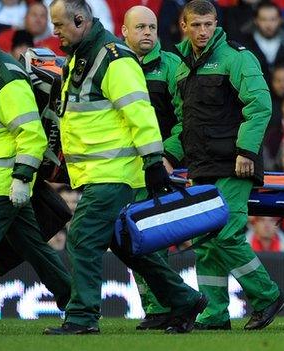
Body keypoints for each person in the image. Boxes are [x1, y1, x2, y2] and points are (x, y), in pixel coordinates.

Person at [43, 0, 205, 335]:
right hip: (101, 173)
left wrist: (153, 160)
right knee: (128, 244)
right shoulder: (84, 57)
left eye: (59, 25)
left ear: (79, 20)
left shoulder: (113, 58)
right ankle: (185, 300)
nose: (54, 31)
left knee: (83, 239)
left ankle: (82, 317)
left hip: (113, 174)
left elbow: (140, 112)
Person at [174, 0, 284, 331]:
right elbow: (185, 120)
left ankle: (267, 296)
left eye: (208, 24)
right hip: (202, 166)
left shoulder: (237, 56)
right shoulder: (182, 65)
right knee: (206, 245)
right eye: (196, 25)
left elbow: (261, 104)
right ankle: (214, 314)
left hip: (234, 164)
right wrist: (172, 155)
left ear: (216, 23)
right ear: (184, 26)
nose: (203, 31)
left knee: (224, 235)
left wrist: (245, 151)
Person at [0, 19, 71, 316]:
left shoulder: (5, 79)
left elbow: (31, 135)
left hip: (2, 183)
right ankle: (77, 301)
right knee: (36, 249)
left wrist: (20, 179)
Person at [121, 5, 185, 330]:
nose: (147, 32)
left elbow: (188, 120)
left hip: (159, 170)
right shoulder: (114, 68)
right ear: (124, 32)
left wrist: (169, 156)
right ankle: (156, 308)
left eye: (152, 27)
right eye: (140, 27)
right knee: (134, 243)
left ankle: (167, 308)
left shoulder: (172, 66)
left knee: (154, 240)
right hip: (122, 170)